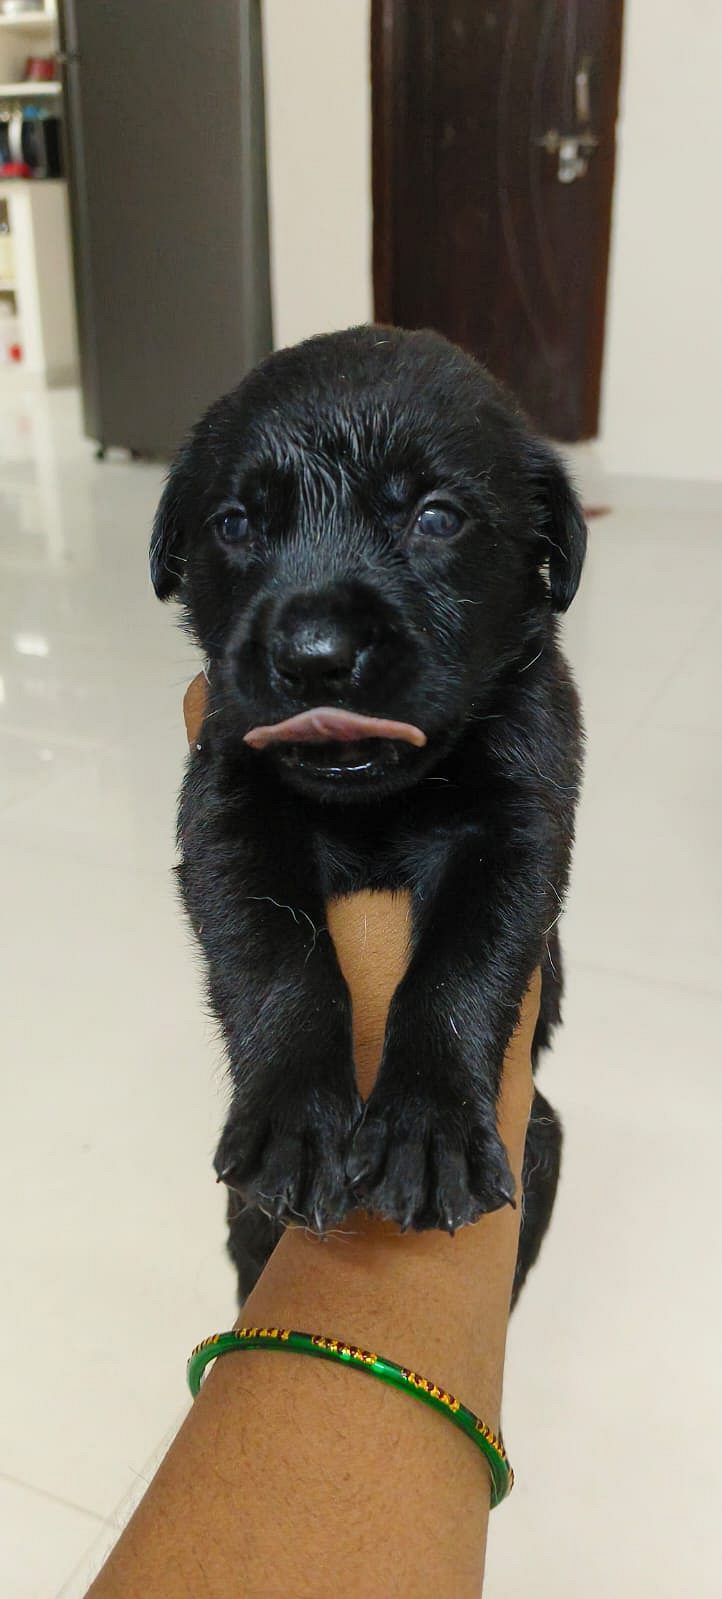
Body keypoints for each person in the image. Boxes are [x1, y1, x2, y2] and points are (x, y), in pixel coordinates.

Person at [86, 683, 536, 1599]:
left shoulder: (513, 700)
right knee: (267, 1222)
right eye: (242, 525)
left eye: (436, 524)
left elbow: (516, 843)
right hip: (307, 1137)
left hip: (473, 1107)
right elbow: (227, 849)